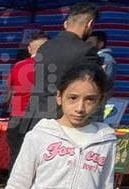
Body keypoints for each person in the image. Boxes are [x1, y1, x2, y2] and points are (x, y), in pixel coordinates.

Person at [11, 3, 101, 165]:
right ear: (90, 24)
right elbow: (94, 88)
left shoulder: (45, 47)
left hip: (34, 117)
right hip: (63, 123)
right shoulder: (85, 52)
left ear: (67, 22)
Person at [10, 32, 50, 119]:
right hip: (42, 115)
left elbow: (11, 89)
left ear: (29, 49)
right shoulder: (52, 66)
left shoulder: (18, 66)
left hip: (18, 114)